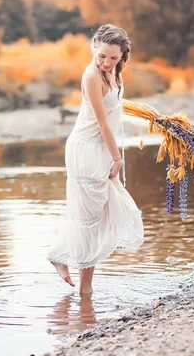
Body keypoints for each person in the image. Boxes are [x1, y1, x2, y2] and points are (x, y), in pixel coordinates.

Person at [47, 24, 159, 296]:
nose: (106, 63)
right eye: (102, 56)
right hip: (85, 150)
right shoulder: (91, 77)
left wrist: (155, 118)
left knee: (100, 213)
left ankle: (61, 257)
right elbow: (102, 123)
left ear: (122, 57)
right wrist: (117, 158)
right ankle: (85, 289)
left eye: (113, 58)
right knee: (90, 217)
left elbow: (116, 110)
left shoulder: (117, 78)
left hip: (101, 149)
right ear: (94, 49)